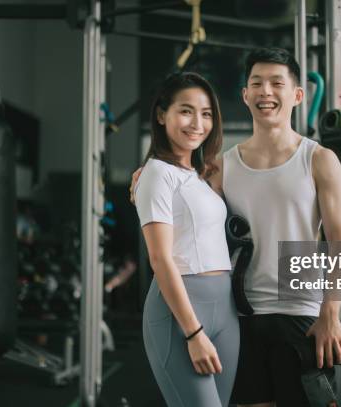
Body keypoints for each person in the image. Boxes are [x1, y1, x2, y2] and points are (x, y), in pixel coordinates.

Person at [132, 48, 341, 407]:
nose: (266, 91)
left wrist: (331, 312)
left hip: (301, 313)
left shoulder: (319, 160)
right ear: (245, 95)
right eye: (257, 84)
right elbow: (181, 193)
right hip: (242, 315)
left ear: (297, 95)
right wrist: (143, 177)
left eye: (277, 83)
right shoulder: (221, 167)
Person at [134, 72, 239, 407]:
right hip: (180, 315)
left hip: (225, 309)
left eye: (206, 113)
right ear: (162, 114)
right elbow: (160, 259)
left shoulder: (197, 175)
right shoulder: (155, 174)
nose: (197, 123)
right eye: (186, 111)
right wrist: (193, 333)